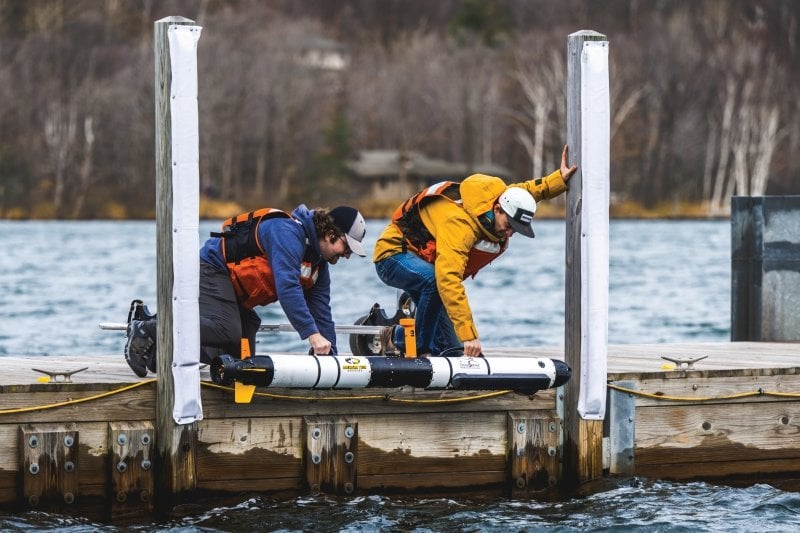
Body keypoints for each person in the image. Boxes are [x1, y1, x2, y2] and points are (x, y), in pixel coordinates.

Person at [373, 145, 577, 358]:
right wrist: (469, 335)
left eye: (516, 230)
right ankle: (409, 344)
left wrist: (559, 180)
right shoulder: (460, 225)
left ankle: (403, 336)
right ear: (497, 209)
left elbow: (527, 190)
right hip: (393, 256)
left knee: (453, 349)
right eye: (509, 226)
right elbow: (448, 279)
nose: (509, 233)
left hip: (424, 263)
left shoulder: (499, 196)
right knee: (434, 284)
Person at [123, 204, 367, 377]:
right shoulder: (287, 233)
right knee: (225, 330)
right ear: (330, 233)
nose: (345, 257)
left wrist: (332, 359)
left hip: (234, 291)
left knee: (241, 357)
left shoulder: (318, 266)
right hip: (211, 268)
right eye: (346, 249)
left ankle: (157, 353)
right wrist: (313, 337)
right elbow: (288, 288)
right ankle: (146, 328)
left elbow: (322, 311)